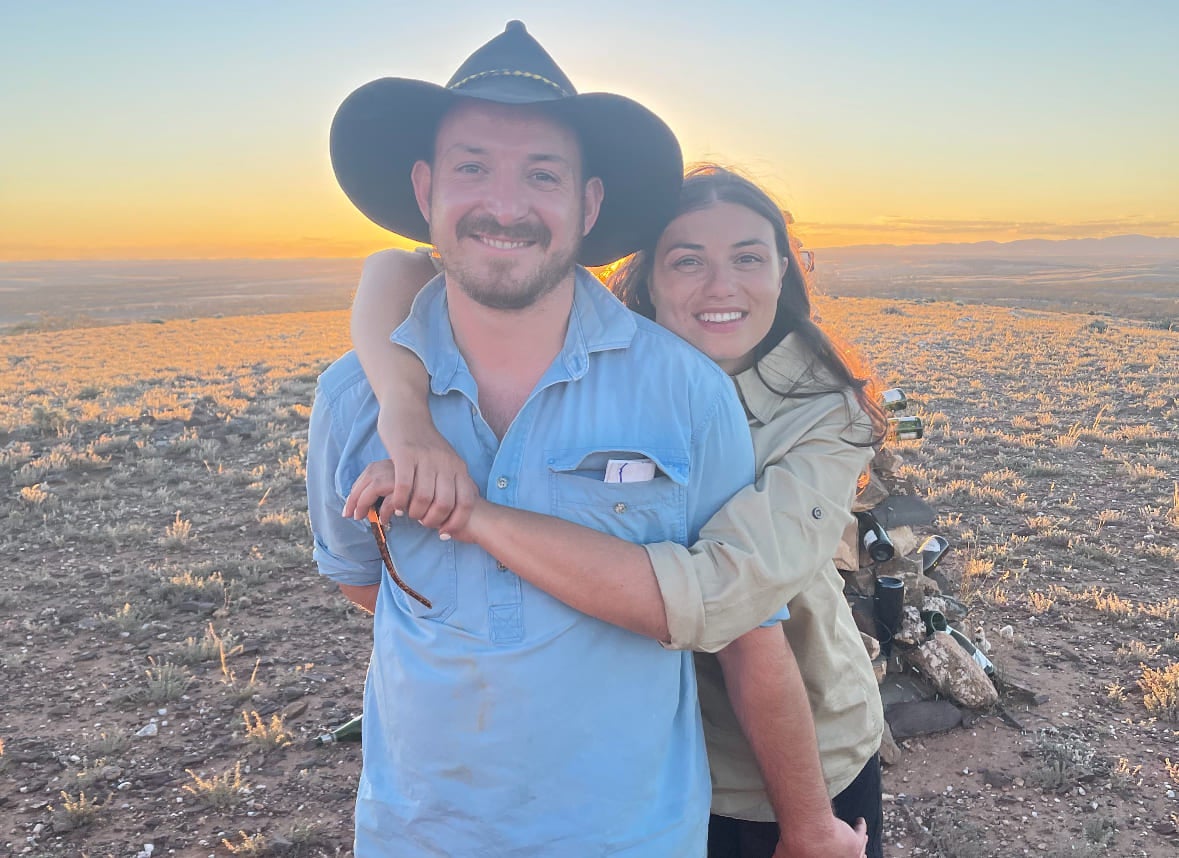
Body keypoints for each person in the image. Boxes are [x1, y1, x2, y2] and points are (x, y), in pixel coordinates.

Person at [308, 22, 855, 857]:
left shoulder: (685, 395)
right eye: (471, 167)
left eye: (542, 174)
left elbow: (748, 632)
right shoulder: (357, 397)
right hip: (416, 835)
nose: (505, 203)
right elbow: (364, 585)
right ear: (424, 191)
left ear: (588, 204)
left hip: (637, 837)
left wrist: (809, 825)